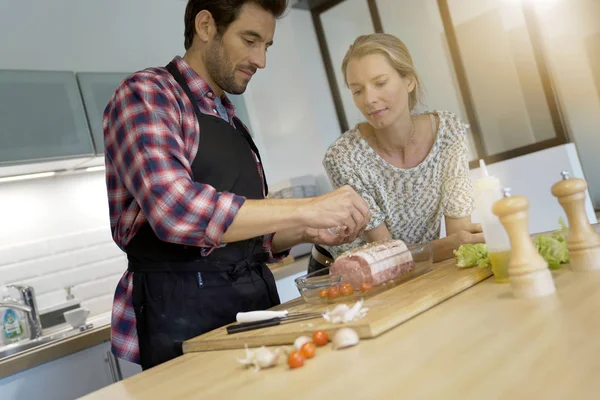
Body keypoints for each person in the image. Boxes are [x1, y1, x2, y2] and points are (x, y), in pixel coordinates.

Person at [103, 0, 370, 370]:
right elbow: (175, 210)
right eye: (250, 40)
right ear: (206, 26)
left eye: (266, 45)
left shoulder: (230, 118)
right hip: (182, 315)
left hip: (256, 305)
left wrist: (307, 230)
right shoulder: (147, 94)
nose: (260, 60)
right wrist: (308, 206)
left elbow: (244, 237)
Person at [308, 33, 483, 273]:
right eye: (357, 90)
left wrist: (455, 245)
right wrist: (444, 247)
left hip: (420, 264)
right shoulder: (343, 157)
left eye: (380, 83)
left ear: (409, 81)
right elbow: (387, 254)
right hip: (344, 274)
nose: (369, 99)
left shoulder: (449, 132)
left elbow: (459, 238)